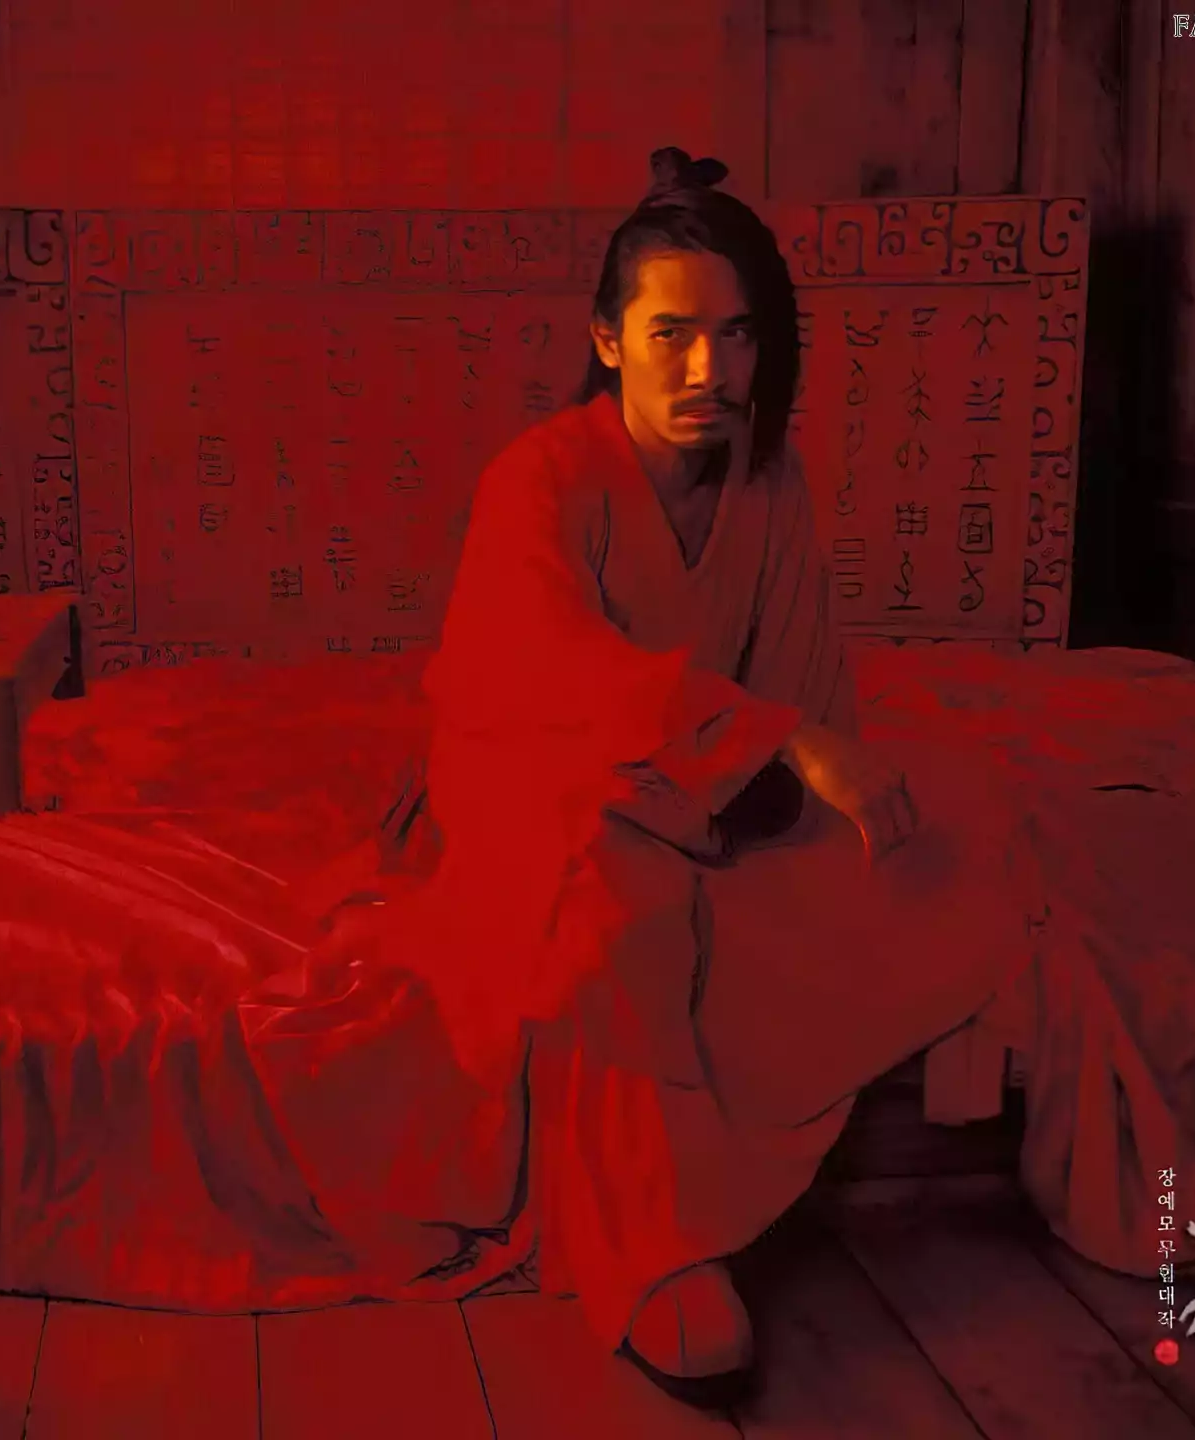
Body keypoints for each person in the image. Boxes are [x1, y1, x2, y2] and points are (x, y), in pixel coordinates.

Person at [393, 146, 926, 1406]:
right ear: (608, 339)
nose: (708, 371)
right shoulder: (540, 476)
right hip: (531, 764)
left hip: (697, 775)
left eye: (736, 337)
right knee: (615, 900)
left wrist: (797, 759)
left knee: (920, 864)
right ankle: (652, 1253)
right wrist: (775, 741)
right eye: (672, 335)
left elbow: (800, 674)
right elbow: (549, 668)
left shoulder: (769, 480)